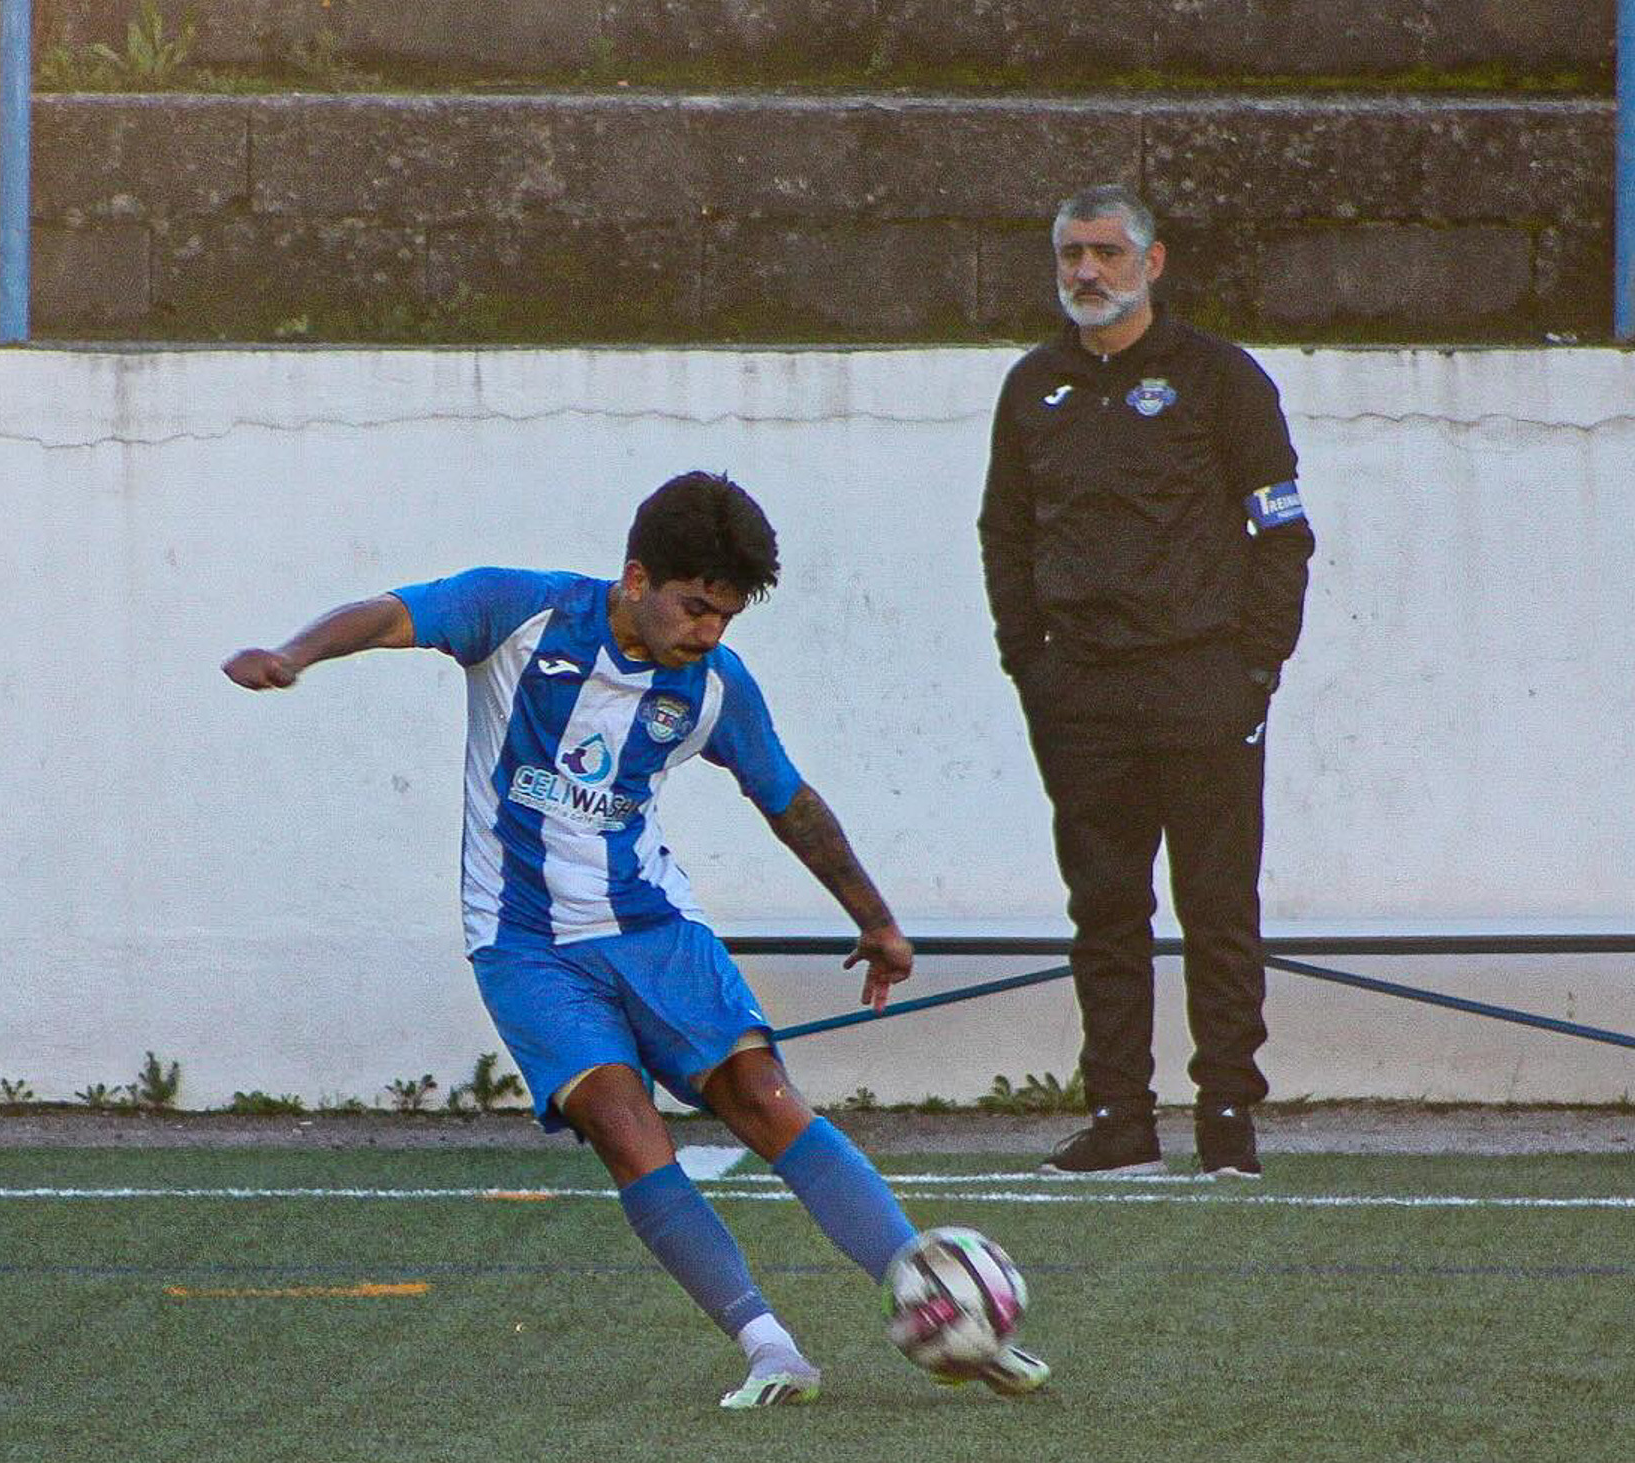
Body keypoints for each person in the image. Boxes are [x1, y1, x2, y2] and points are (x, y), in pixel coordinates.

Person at [226, 471, 1050, 1407]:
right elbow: (386, 615)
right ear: (635, 577)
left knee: (761, 1094)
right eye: (695, 607)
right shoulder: (518, 613)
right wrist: (294, 655)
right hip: (524, 942)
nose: (706, 632)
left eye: (725, 618)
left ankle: (941, 1304)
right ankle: (771, 1348)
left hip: (654, 925)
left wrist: (877, 919)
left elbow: (788, 799)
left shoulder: (714, 686)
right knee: (622, 1124)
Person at [977, 185, 1316, 1180]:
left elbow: (1281, 530)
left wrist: (1254, 663)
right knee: (1104, 910)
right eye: (1069, 253)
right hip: (1080, 692)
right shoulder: (1030, 386)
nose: (1085, 272)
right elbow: (1004, 531)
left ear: (1151, 262)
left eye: (1105, 253)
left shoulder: (1221, 380)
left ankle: (1224, 1119)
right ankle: (1120, 1116)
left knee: (1216, 906)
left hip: (1205, 683)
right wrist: (1026, 660)